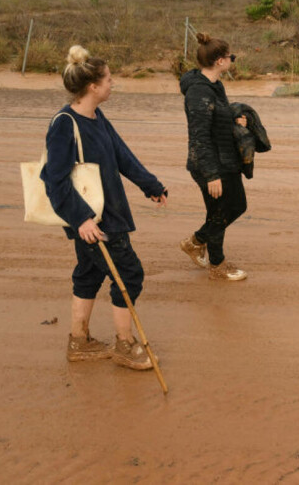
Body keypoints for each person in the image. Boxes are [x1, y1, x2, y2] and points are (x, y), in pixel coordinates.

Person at [42, 45, 168, 371]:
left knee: (89, 273)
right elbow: (53, 180)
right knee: (130, 275)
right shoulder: (64, 124)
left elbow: (122, 155)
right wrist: (80, 219)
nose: (113, 84)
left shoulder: (96, 117)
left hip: (105, 213)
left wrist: (150, 185)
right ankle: (125, 345)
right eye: (109, 79)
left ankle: (78, 342)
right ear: (92, 87)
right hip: (96, 219)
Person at [179, 33, 249, 281]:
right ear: (220, 61)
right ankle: (209, 256)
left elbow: (217, 117)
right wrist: (211, 175)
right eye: (231, 56)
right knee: (229, 208)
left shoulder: (214, 85)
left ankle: (201, 246)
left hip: (225, 158)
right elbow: (199, 136)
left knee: (222, 210)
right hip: (210, 163)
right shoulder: (198, 92)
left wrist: (234, 119)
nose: (232, 59)